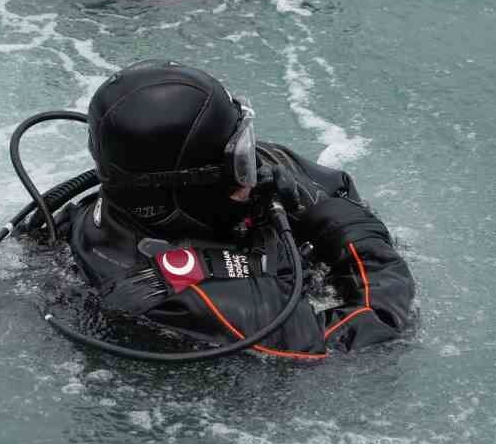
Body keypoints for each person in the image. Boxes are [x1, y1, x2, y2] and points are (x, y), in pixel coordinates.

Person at [65, 60, 415, 358]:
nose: (254, 171)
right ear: (181, 194)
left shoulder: (216, 181)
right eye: (240, 163)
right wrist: (351, 234)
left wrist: (316, 206)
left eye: (243, 153)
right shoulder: (189, 300)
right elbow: (366, 334)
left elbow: (336, 187)